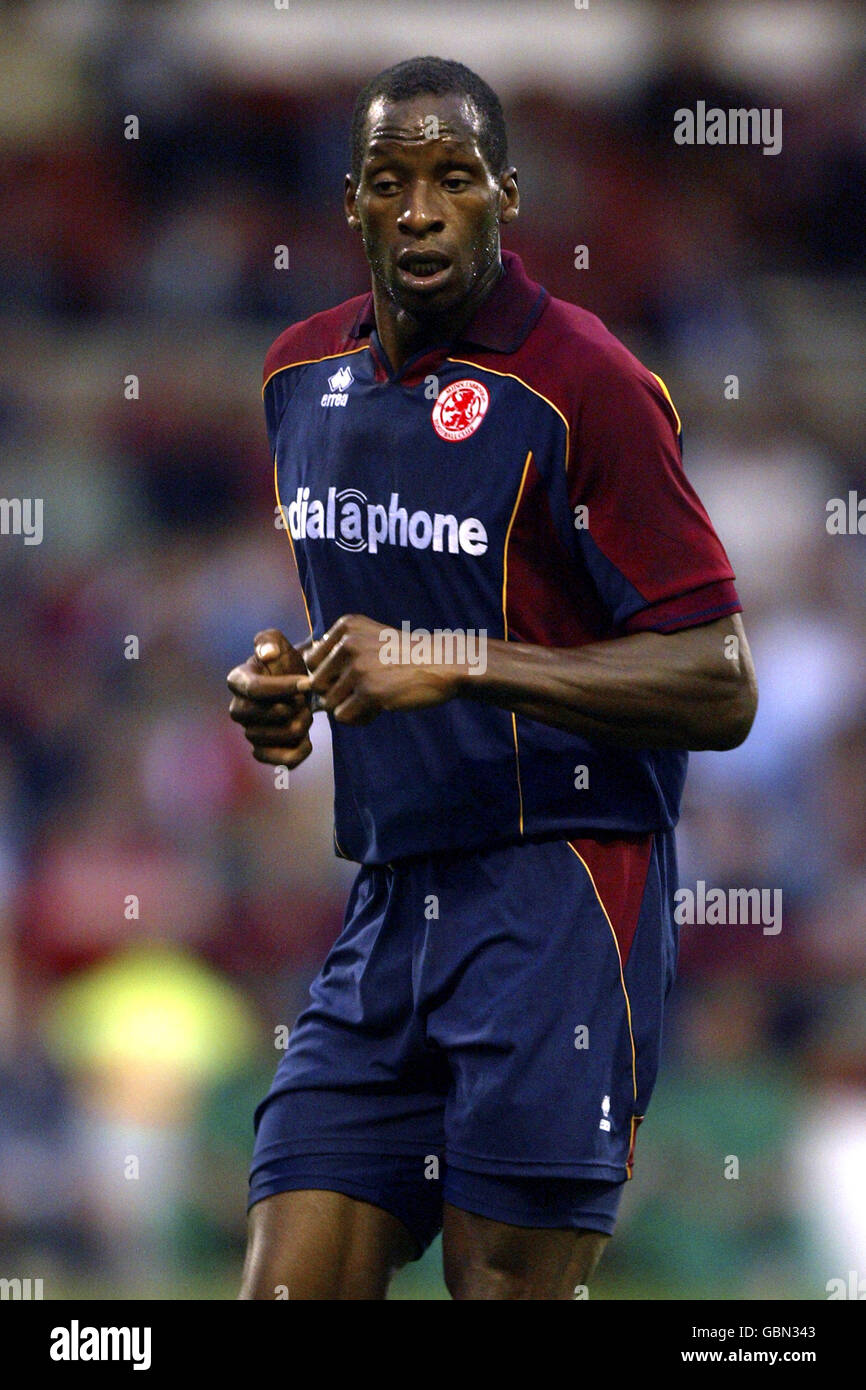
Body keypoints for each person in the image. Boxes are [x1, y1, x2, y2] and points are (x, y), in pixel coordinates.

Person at [228, 55, 757, 1300]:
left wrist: (449, 664)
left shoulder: (587, 385)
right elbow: (376, 627)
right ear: (350, 204)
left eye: (452, 178)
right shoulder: (298, 378)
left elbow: (720, 681)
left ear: (505, 195)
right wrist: (282, 693)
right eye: (388, 183)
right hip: (387, 900)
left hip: (558, 899)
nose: (419, 210)